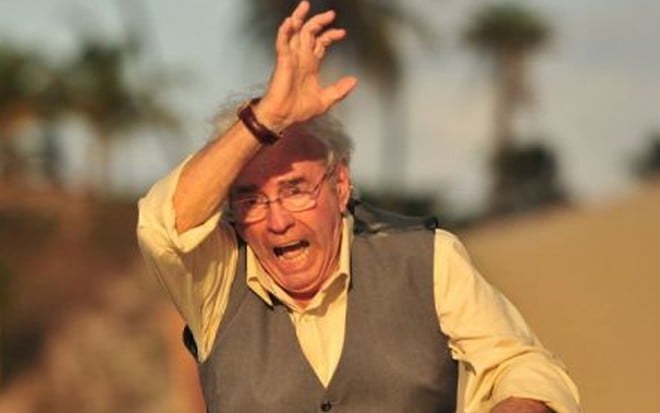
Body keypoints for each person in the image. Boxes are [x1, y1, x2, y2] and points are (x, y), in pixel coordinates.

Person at [137, 2, 580, 412]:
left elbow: (520, 365)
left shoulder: (425, 260)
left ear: (341, 184)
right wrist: (266, 118)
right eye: (250, 199)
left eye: (295, 190)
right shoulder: (215, 280)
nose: (276, 220)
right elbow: (162, 227)